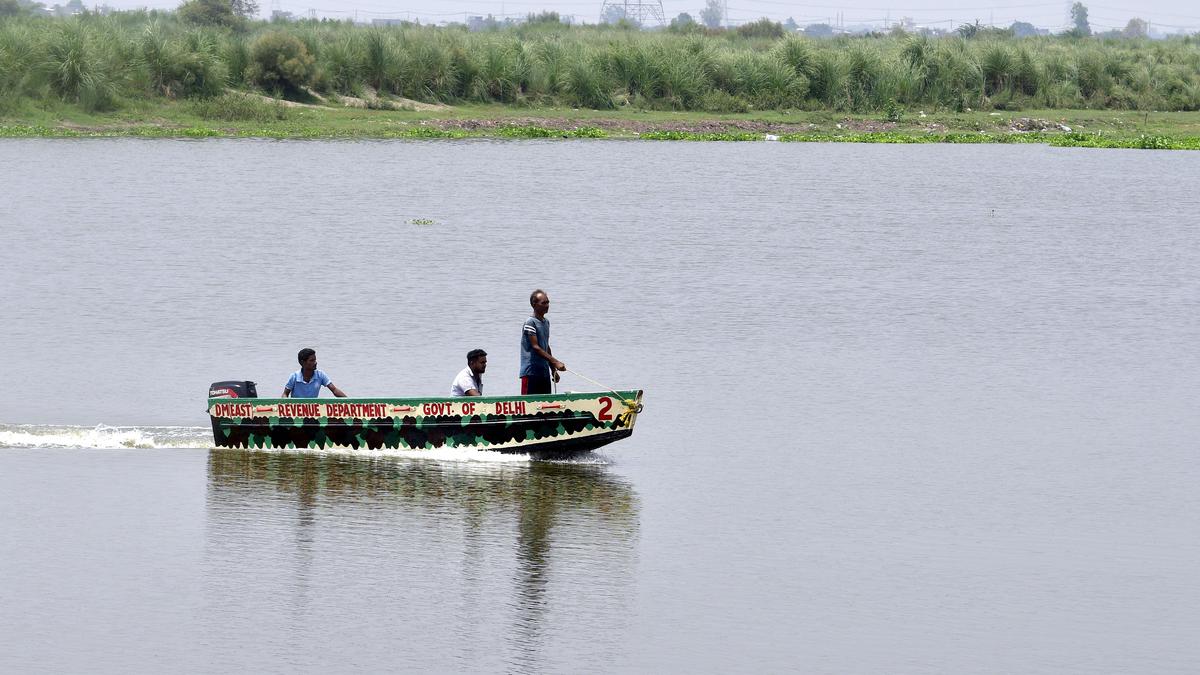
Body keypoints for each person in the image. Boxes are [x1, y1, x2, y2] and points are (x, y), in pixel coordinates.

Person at [519, 289, 565, 395]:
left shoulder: (546, 322)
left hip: (543, 372)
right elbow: (536, 347)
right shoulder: (530, 322)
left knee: (545, 406)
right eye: (543, 303)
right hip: (531, 372)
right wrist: (556, 361)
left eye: (548, 302)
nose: (547, 305)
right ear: (534, 305)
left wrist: (553, 369)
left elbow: (546, 347)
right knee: (529, 407)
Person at [282, 348, 347, 398]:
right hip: (297, 411)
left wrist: (350, 401)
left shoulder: (320, 375)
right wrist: (285, 404)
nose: (315, 363)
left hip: (313, 411)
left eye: (315, 360)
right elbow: (285, 394)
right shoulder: (294, 377)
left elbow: (334, 390)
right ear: (302, 362)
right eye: (312, 360)